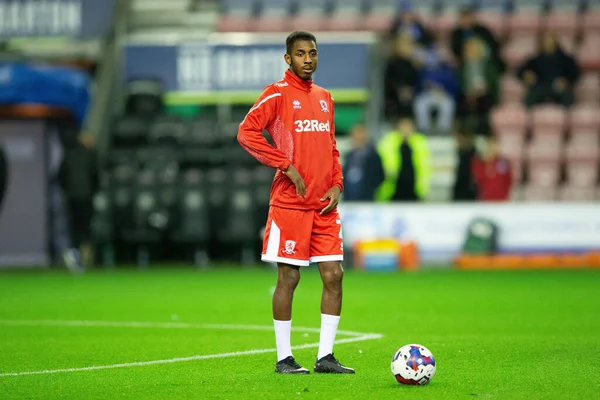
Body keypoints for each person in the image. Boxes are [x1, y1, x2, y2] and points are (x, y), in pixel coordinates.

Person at [237, 31, 353, 375]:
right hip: (289, 205)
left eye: (312, 53)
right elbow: (246, 132)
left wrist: (337, 184)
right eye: (300, 53)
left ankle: (326, 357)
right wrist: (284, 164)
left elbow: (331, 146)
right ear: (288, 59)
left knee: (334, 275)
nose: (307, 59)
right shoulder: (276, 94)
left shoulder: (325, 97)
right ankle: (284, 358)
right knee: (289, 277)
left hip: (324, 205)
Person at [517, 31, 580, 108]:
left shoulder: (565, 59)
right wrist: (526, 75)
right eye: (545, 40)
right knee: (530, 99)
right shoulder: (536, 59)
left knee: (567, 98)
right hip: (539, 85)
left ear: (556, 41)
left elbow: (574, 73)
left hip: (557, 86)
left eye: (550, 39)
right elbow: (520, 70)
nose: (547, 42)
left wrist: (566, 81)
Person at [376, 118, 431, 202]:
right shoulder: (388, 142)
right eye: (403, 127)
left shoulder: (420, 142)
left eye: (408, 127)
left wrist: (422, 189)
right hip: (392, 188)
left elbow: (425, 167)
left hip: (414, 189)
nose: (406, 130)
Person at [458, 37, 501, 136]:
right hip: (467, 95)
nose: (468, 52)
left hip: (485, 95)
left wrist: (483, 90)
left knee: (484, 103)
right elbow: (460, 83)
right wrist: (469, 92)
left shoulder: (488, 66)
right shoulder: (463, 67)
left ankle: (483, 132)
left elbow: (493, 83)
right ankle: (465, 134)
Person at [413, 48, 459, 135]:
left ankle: (443, 129)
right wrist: (427, 89)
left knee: (448, 104)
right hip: (427, 95)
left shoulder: (446, 71)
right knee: (420, 104)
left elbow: (453, 86)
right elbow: (418, 86)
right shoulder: (423, 71)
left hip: (443, 95)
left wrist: (444, 91)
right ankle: (423, 128)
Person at [450, 5, 505, 73]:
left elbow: (492, 45)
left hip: (485, 61)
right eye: (463, 17)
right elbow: (455, 49)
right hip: (465, 63)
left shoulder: (482, 30)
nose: (466, 20)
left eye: (468, 17)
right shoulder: (456, 33)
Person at [342, 123, 385, 201]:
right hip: (349, 198)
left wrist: (371, 189)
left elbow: (380, 176)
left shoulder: (373, 156)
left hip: (367, 198)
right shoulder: (349, 156)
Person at [384, 34, 420, 120]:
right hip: (394, 94)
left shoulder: (413, 64)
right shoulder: (392, 63)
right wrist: (399, 88)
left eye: (409, 46)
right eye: (405, 46)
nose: (408, 49)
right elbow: (388, 81)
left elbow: (417, 80)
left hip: (413, 92)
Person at [471, 136, 512, 201]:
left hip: (501, 200)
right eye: (490, 146)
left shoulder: (503, 162)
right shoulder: (479, 163)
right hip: (484, 200)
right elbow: (477, 181)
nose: (492, 148)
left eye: (494, 145)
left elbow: (508, 181)